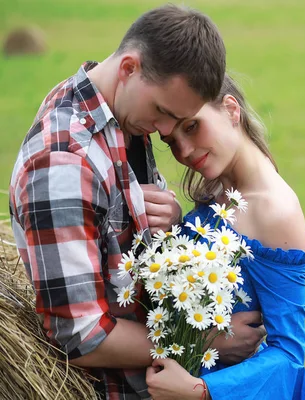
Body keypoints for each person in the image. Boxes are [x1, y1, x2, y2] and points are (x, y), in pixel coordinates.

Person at [9, 5, 265, 399]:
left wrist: (170, 219)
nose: (166, 133)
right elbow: (80, 334)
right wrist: (204, 342)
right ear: (128, 67)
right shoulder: (62, 163)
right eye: (163, 113)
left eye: (180, 119)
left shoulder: (119, 112)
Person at [145, 74, 305, 399]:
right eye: (171, 141)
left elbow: (290, 355)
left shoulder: (274, 209)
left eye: (192, 126)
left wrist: (202, 390)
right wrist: (176, 229)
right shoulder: (222, 184)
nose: (183, 150)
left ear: (230, 110)